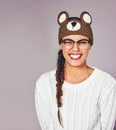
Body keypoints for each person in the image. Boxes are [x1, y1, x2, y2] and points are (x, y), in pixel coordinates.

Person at [35, 11, 116, 130]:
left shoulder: (106, 83)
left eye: (82, 42)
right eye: (68, 42)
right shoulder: (44, 83)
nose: (75, 48)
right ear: (60, 44)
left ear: (90, 45)